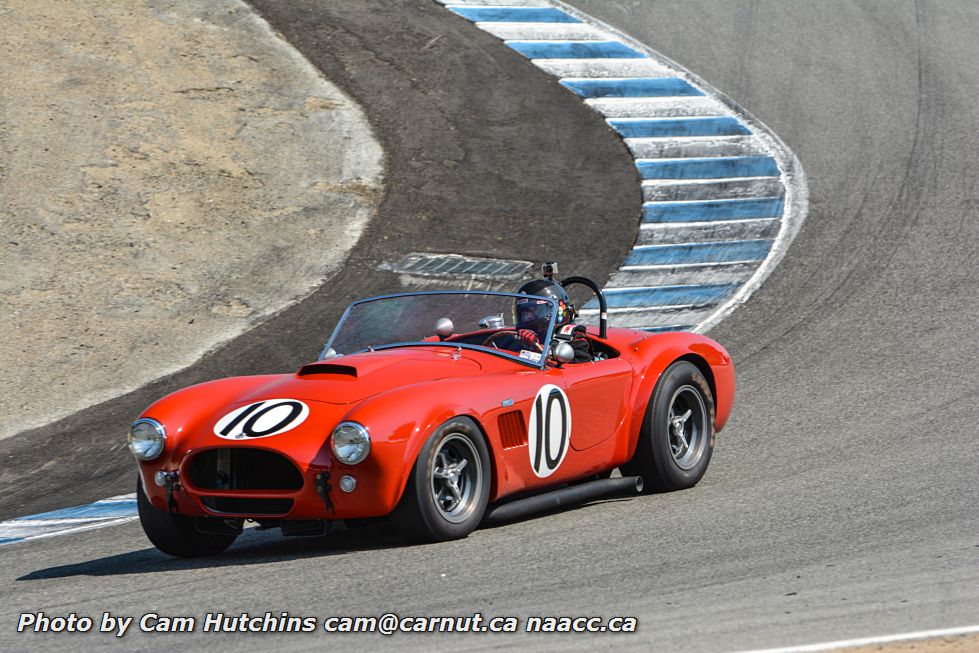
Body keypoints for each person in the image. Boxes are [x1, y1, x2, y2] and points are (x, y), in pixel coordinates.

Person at [512, 279, 593, 363]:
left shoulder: (576, 338)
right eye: (525, 313)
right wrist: (523, 345)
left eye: (535, 311)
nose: (528, 317)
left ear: (555, 309)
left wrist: (539, 349)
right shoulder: (518, 337)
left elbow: (581, 366)